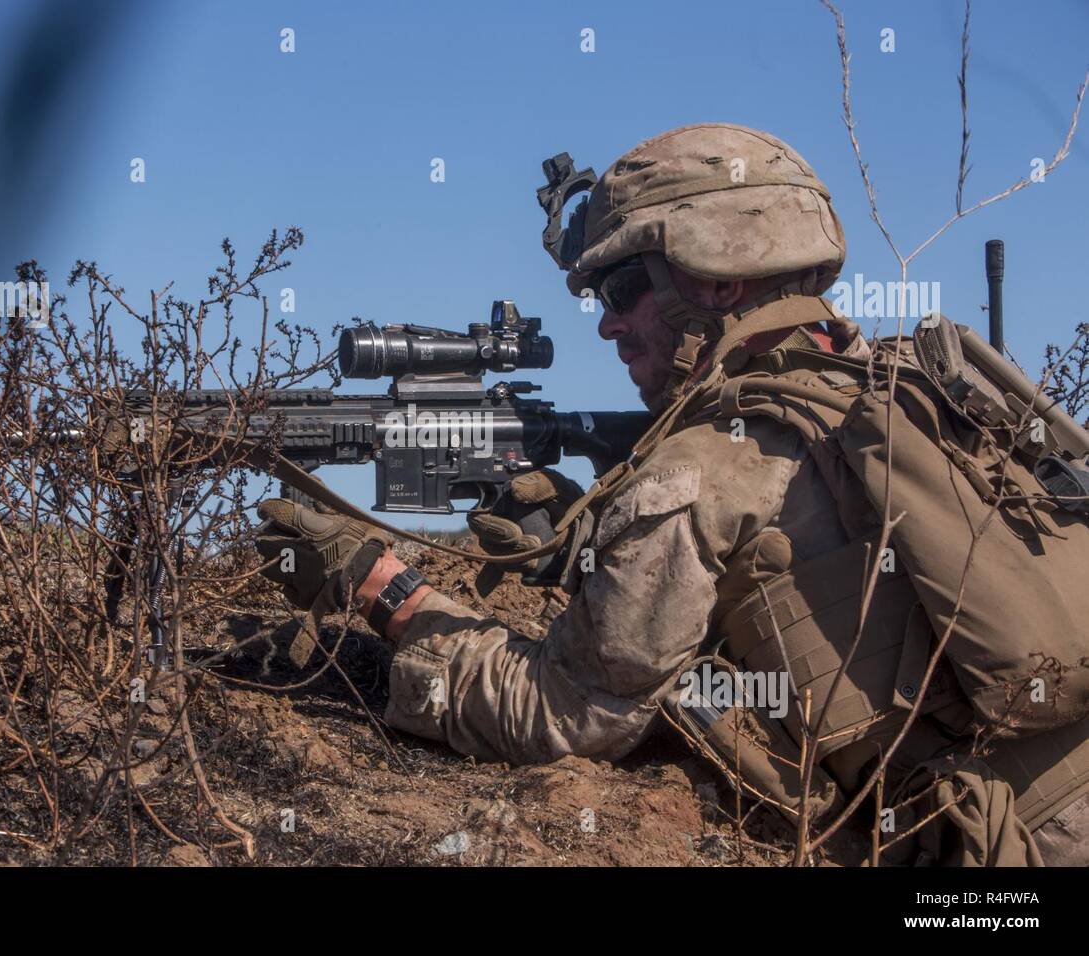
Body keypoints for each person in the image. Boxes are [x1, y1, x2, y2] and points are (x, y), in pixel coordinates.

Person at [257, 124, 1089, 865]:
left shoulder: (698, 472)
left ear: (720, 277)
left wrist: (383, 589)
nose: (607, 326)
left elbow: (566, 717)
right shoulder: (913, 385)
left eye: (624, 292)